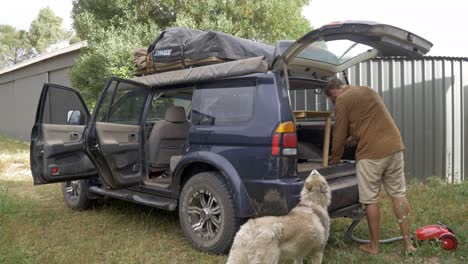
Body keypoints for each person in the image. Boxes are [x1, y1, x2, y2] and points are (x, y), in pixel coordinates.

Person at [324, 77, 416, 255]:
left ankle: (374, 246)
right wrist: (354, 138)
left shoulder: (342, 99)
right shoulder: (367, 90)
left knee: (370, 199)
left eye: (332, 99)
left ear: (333, 93)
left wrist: (334, 158)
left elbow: (339, 133)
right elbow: (368, 122)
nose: (334, 102)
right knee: (398, 194)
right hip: (394, 146)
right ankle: (408, 244)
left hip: (372, 154)